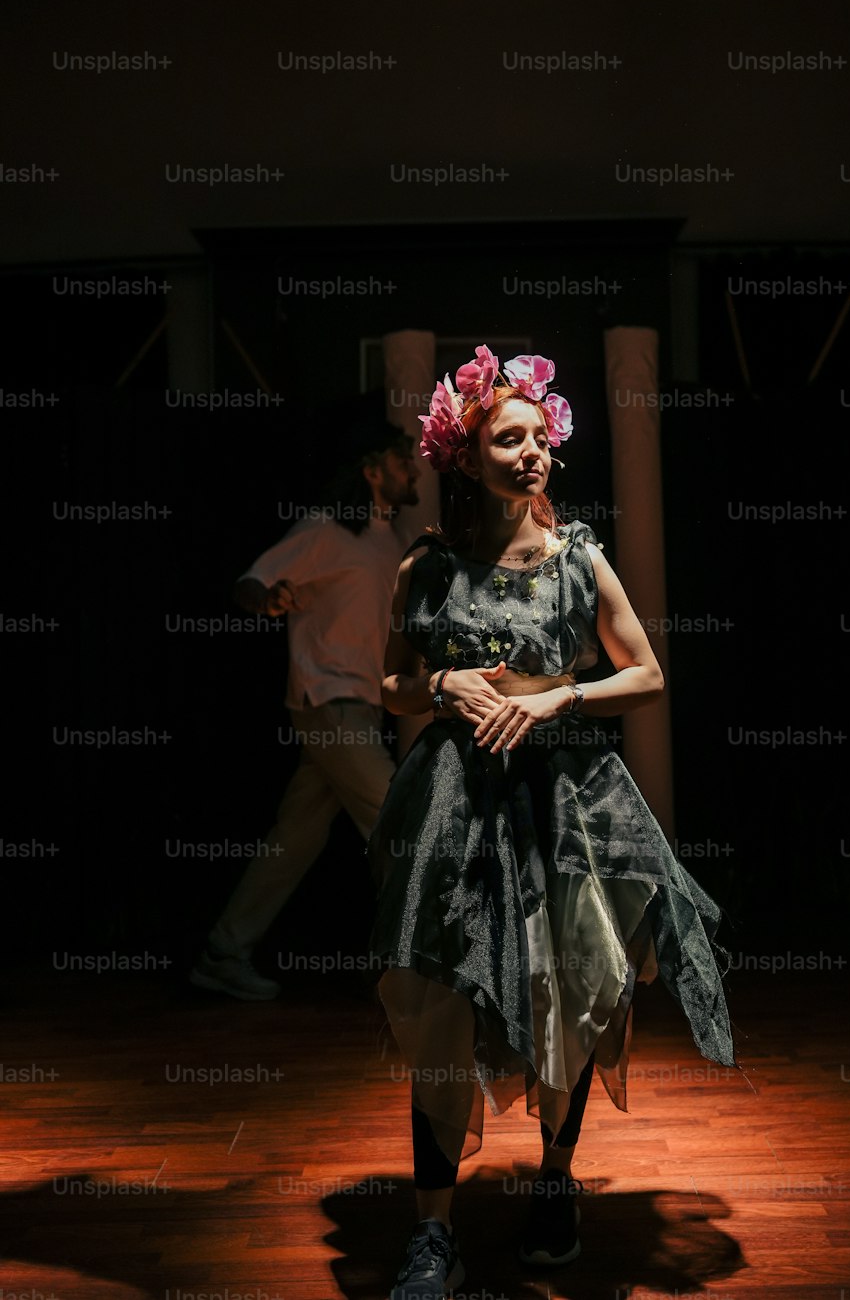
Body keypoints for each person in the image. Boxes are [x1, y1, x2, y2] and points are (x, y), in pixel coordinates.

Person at [365, 348, 739, 1300]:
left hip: (566, 802)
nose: (532, 454)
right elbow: (391, 681)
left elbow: (648, 673)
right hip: (457, 803)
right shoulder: (430, 565)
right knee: (445, 999)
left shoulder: (577, 558)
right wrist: (442, 684)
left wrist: (558, 698)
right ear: (467, 458)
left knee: (565, 999)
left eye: (541, 439)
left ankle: (556, 1182)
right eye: (509, 438)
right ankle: (432, 1234)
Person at [189, 418, 420, 1001]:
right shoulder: (325, 531)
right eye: (400, 459)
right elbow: (251, 581)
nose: (412, 468)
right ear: (371, 470)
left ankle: (223, 952)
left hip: (360, 711)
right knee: (398, 824)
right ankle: (418, 971)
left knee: (294, 840)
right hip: (329, 704)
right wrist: (267, 597)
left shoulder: (387, 540)